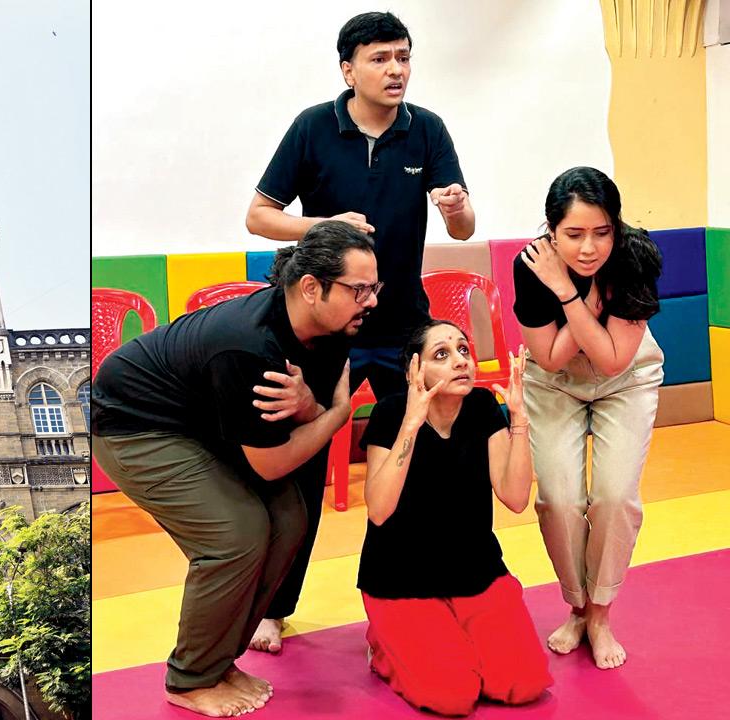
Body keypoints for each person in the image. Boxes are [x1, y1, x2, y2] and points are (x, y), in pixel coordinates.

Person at [244, 10, 476, 652]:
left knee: (420, 459)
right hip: (329, 333)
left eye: (403, 56)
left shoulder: (427, 130)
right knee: (305, 472)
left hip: (404, 325)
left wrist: (458, 211)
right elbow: (258, 216)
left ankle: (421, 590)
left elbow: (462, 229)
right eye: (380, 58)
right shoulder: (314, 127)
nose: (396, 69)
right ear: (348, 69)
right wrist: (321, 225)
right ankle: (274, 606)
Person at [91, 221, 375, 717]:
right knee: (234, 533)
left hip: (200, 422)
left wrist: (316, 409)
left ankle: (219, 661)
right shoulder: (249, 346)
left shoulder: (332, 327)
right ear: (311, 288)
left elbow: (303, 415)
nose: (370, 300)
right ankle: (190, 679)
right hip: (133, 425)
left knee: (290, 516)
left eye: (375, 288)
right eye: (359, 289)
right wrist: (334, 415)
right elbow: (272, 463)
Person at [358, 320, 552, 716]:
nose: (460, 361)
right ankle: (383, 646)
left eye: (463, 350)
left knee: (524, 683)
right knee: (452, 695)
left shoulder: (482, 407)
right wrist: (413, 420)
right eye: (441, 355)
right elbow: (379, 509)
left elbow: (515, 498)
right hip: (401, 579)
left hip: (475, 571)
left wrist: (519, 417)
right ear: (415, 370)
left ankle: (454, 631)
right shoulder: (391, 411)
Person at [514, 166, 663, 670]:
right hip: (554, 381)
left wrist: (579, 295)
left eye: (602, 233)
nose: (588, 248)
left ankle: (600, 613)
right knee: (558, 497)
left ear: (616, 227)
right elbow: (552, 358)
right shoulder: (531, 266)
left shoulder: (635, 258)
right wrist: (576, 293)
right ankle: (576, 606)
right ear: (550, 231)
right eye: (573, 234)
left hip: (626, 377)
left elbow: (613, 359)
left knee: (615, 496)